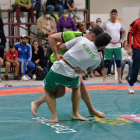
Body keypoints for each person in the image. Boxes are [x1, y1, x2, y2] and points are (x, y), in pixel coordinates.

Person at [32, 29, 111, 123]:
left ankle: (54, 117)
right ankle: (76, 113)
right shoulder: (97, 58)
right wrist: (81, 68)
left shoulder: (82, 39)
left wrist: (61, 50)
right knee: (76, 87)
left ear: (94, 38)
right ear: (103, 46)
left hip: (59, 67)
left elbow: (61, 47)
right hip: (72, 73)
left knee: (49, 90)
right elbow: (90, 69)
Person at [102, 9, 126, 83]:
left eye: (114, 14)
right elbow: (101, 32)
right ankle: (104, 79)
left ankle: (119, 78)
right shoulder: (106, 23)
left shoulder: (119, 23)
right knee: (107, 62)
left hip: (117, 45)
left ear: (117, 15)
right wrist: (104, 41)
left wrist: (121, 40)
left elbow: (124, 32)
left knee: (118, 62)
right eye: (112, 14)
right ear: (110, 15)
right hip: (109, 45)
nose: (113, 15)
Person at [127, 19, 140, 94]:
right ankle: (131, 84)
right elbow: (129, 34)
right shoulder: (136, 22)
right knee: (136, 67)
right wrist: (129, 47)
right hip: (137, 48)